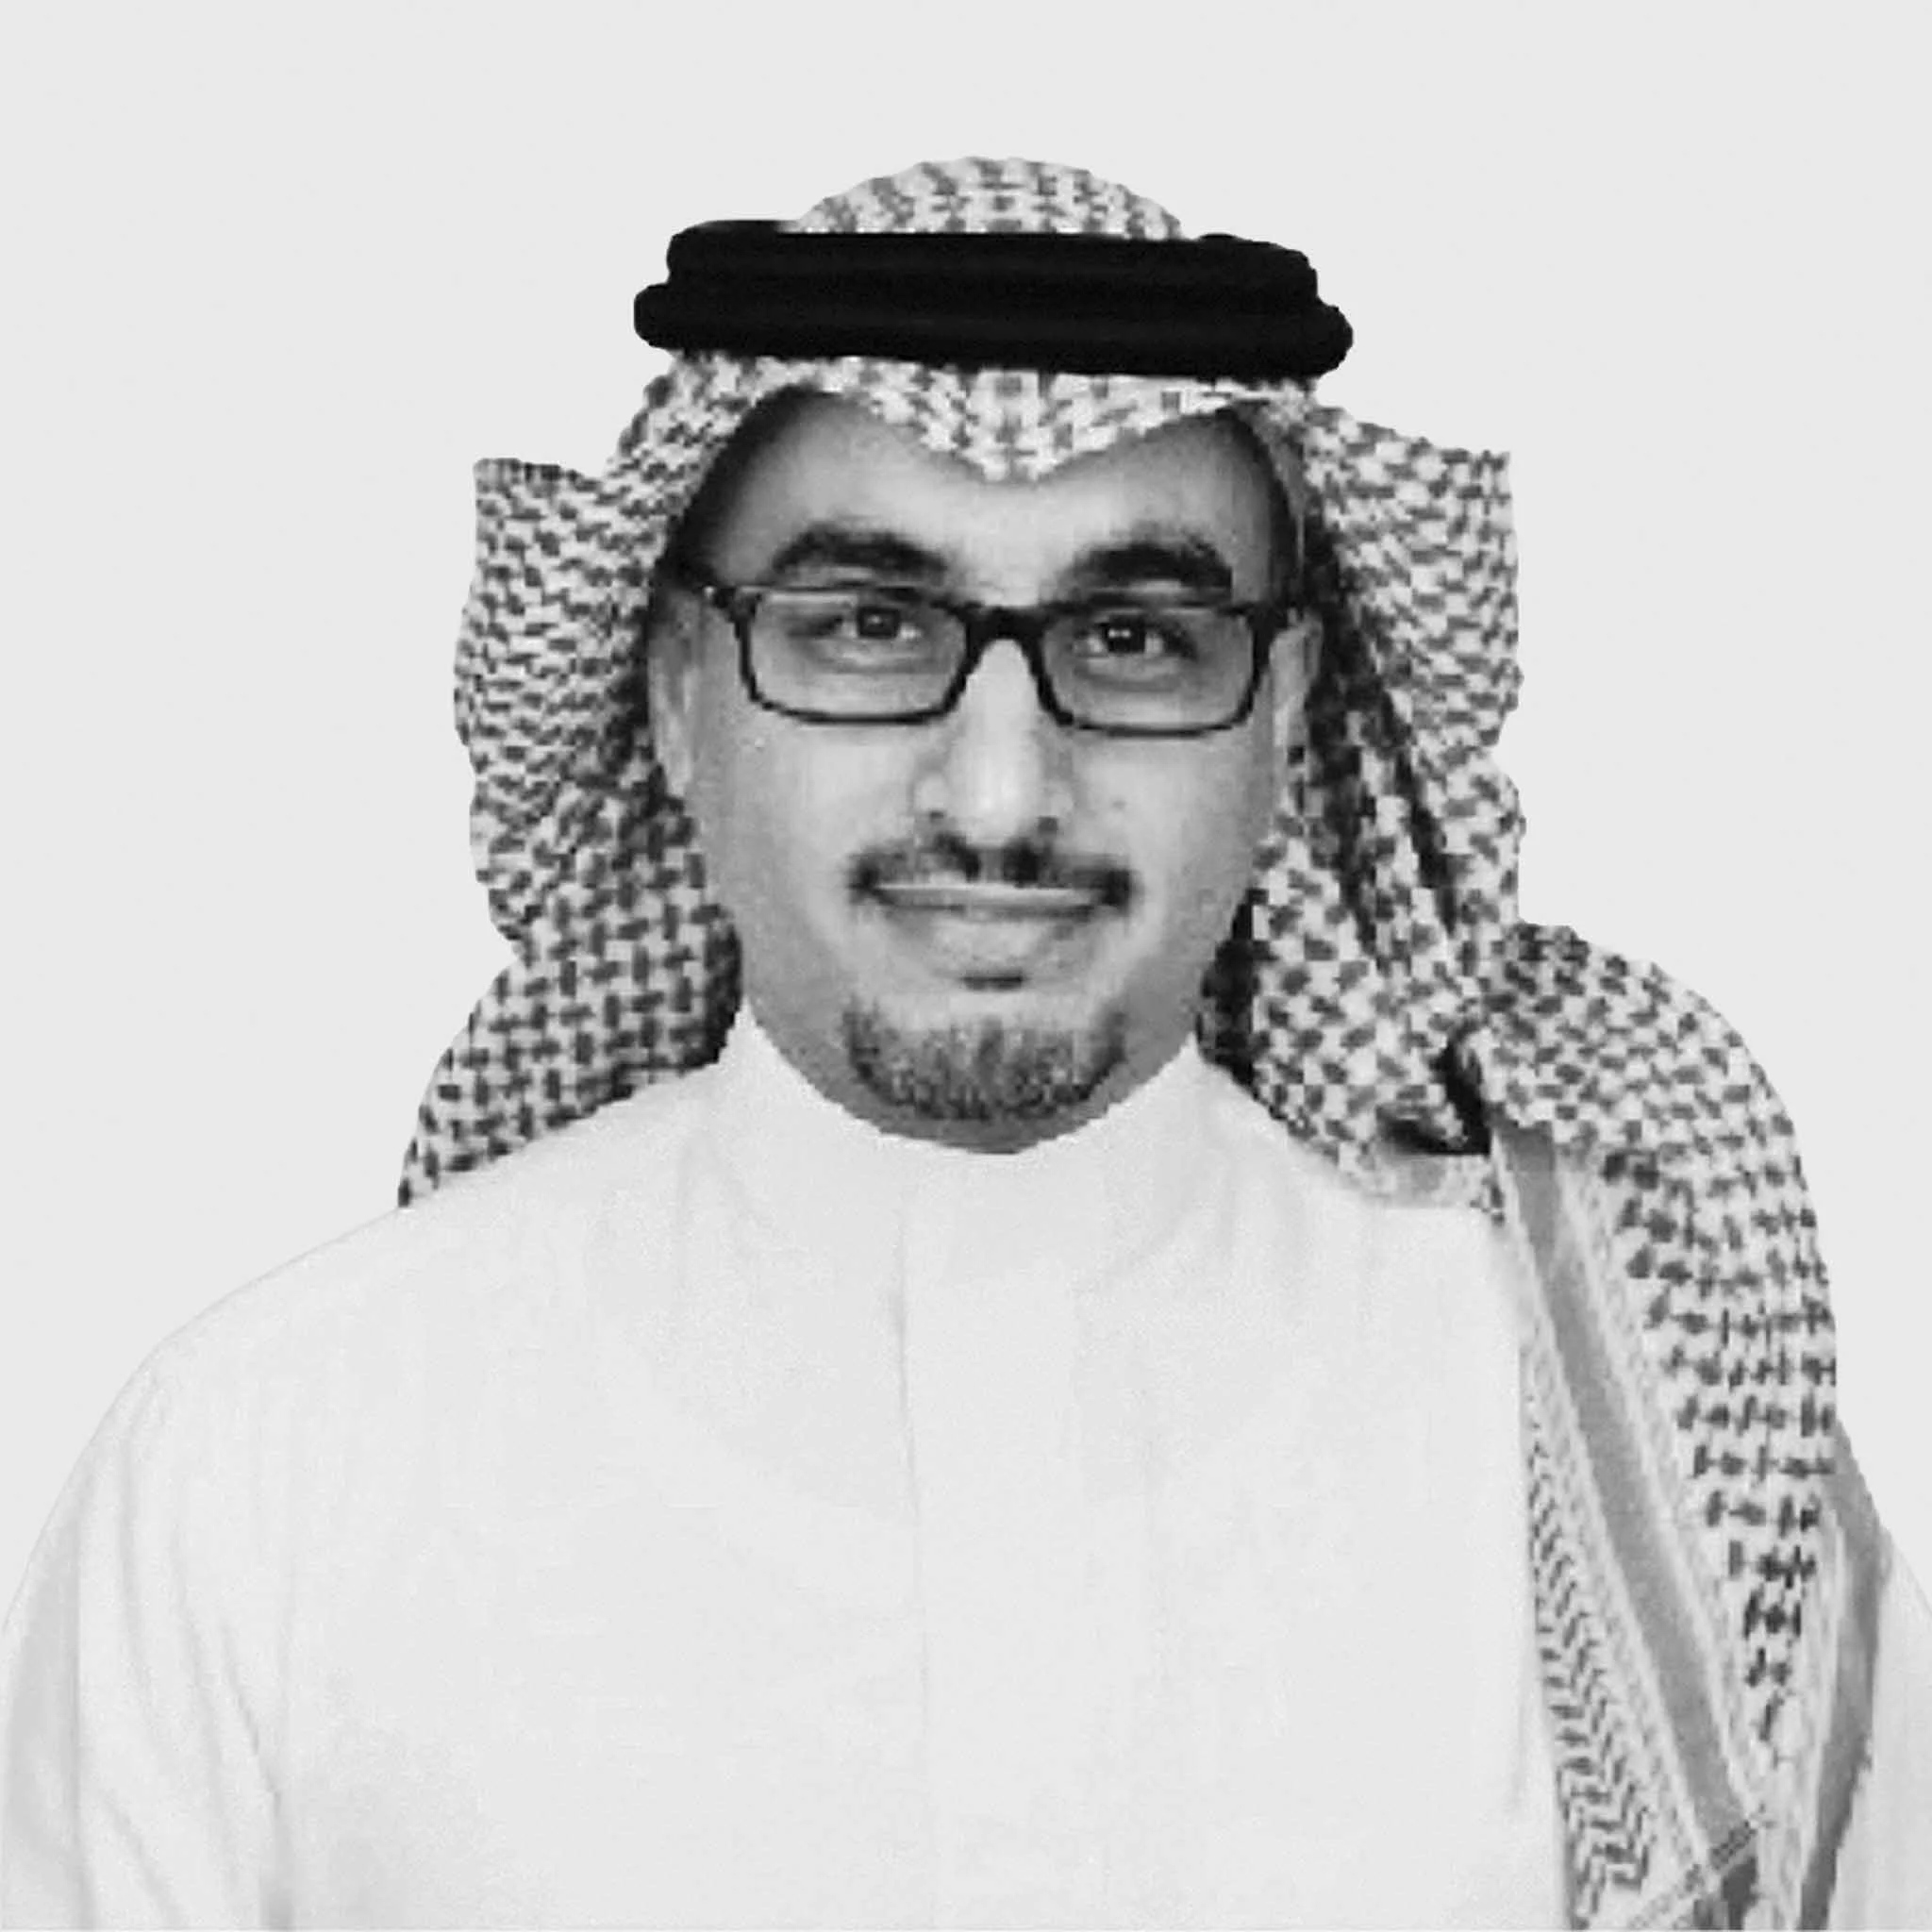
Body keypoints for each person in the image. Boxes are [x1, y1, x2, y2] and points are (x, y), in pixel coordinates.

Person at [1, 157, 1925, 1928]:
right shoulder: (262, 1476)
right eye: (865, 625)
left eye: (1137, 640)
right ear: (673, 694)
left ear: (1285, 717)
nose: (1001, 792)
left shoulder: (1627, 1447)